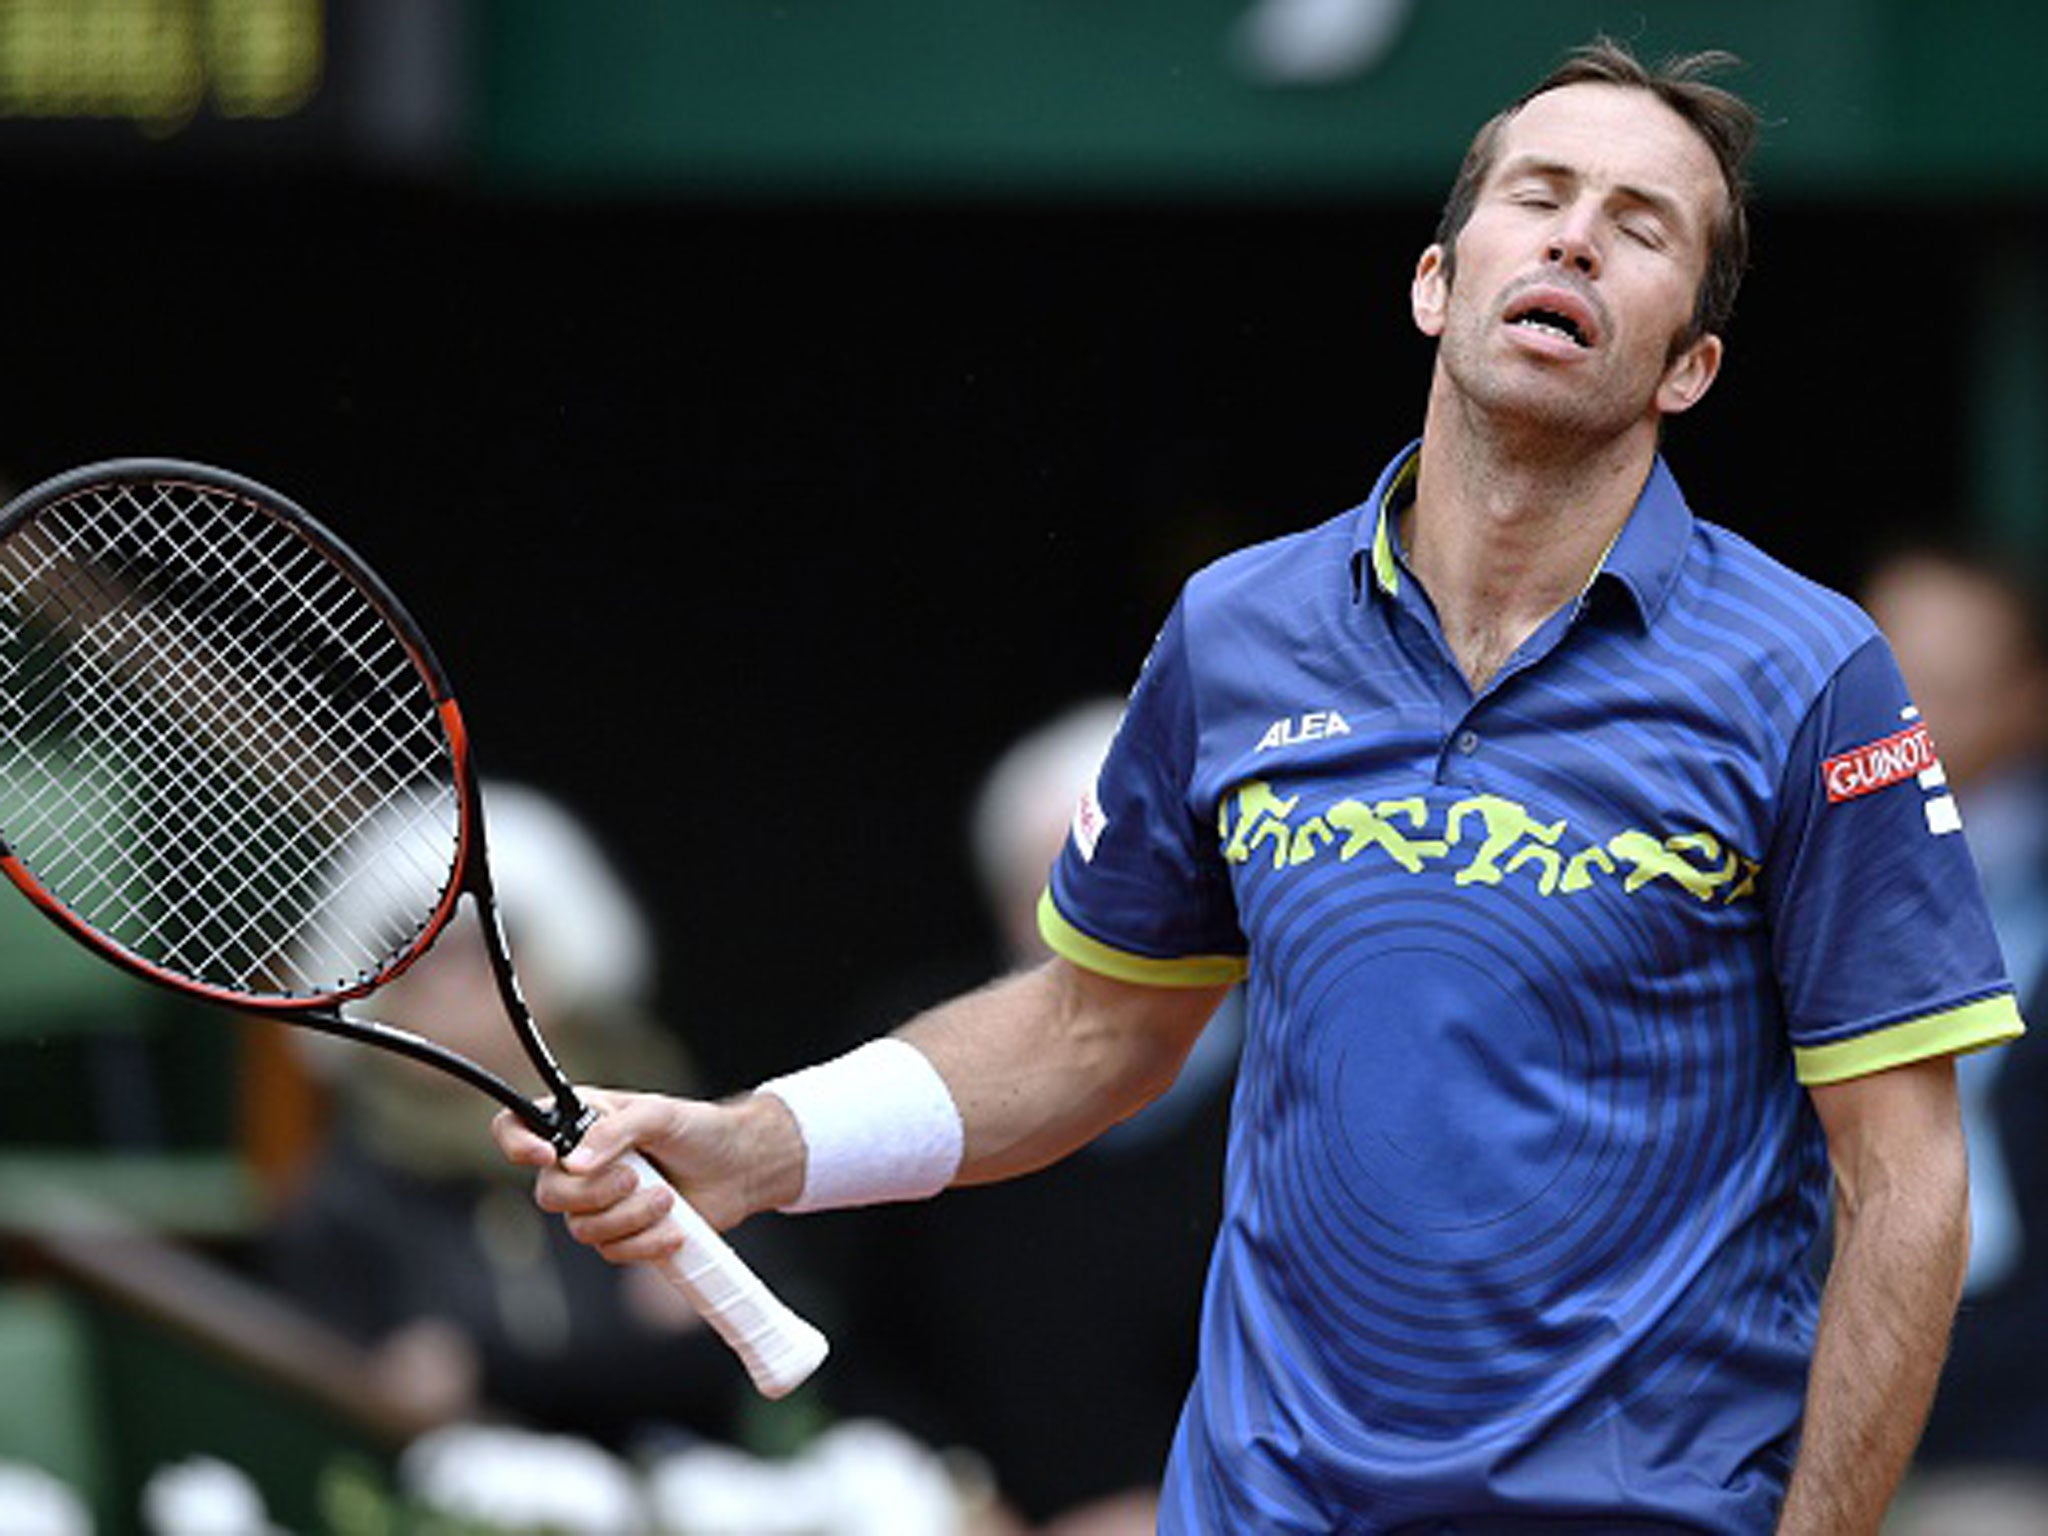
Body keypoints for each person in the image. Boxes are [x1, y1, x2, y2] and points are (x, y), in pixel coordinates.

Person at [496, 40, 2025, 1534]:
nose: (1574, 235)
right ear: (1439, 281)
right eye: (1540, 195)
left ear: (1689, 366)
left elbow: (1905, 1182)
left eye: (1640, 228)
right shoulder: (1241, 632)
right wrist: (759, 1145)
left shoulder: (1809, 679)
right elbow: (1094, 1022)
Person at [820, 700, 1241, 1534]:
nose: (1099, 932)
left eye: (1135, 887)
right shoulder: (917, 1070)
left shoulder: (1304, 1067)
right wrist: (953, 1493)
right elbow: (858, 1343)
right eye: (1055, 895)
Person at [261, 782, 769, 1449]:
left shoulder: (663, 1125)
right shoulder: (342, 1194)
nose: (449, 979)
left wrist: (486, 1368)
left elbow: (732, 1357)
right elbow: (346, 1401)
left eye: (490, 939)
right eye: (411, 950)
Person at [1860, 548, 2048, 1536]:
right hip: (1786, 1395)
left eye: (1940, 685)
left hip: (2005, 1428)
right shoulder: (1770, 870)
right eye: (1881, 676)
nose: (1902, 717)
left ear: (2027, 700)